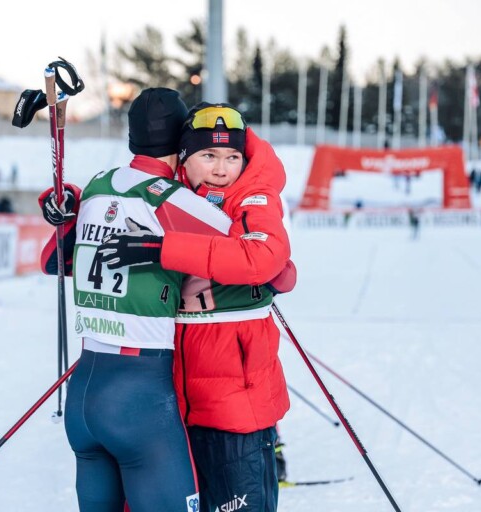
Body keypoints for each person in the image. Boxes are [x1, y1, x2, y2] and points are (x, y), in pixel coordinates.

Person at [38, 88, 237, 512]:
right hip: (139, 394)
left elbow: (53, 261)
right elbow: (258, 260)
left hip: (86, 388)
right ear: (182, 143)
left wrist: (66, 210)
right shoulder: (171, 200)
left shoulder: (96, 186)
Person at [99, 103, 294, 511]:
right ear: (184, 159)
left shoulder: (254, 194)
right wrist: (70, 210)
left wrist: (163, 249)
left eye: (232, 157)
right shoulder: (172, 194)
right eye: (209, 156)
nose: (222, 169)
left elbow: (270, 263)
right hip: (173, 397)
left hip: (234, 400)